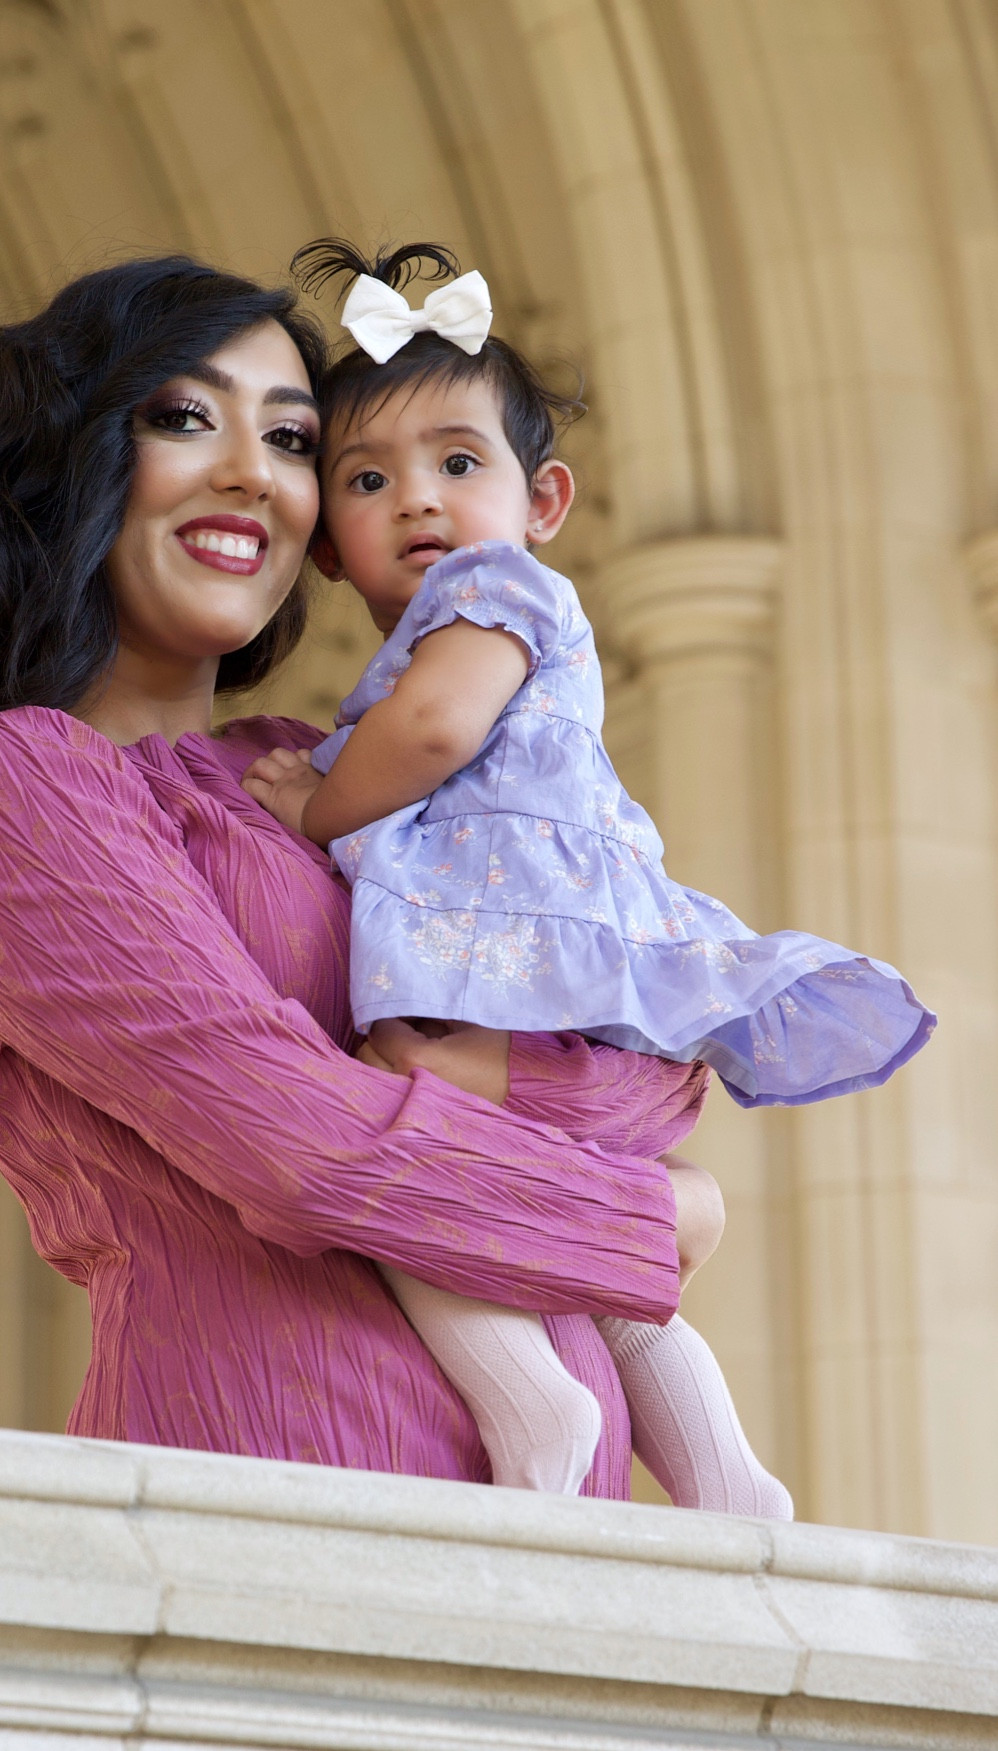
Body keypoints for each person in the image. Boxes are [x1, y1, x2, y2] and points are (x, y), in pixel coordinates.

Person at [0, 254, 714, 1500]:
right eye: (184, 417)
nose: (251, 471)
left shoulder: (317, 774)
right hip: (276, 1488)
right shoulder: (2, 791)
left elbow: (616, 1011)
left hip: (563, 1541)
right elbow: (293, 1141)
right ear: (70, 457)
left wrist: (580, 1104)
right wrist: (651, 1220)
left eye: (291, 439)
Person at [243, 240, 935, 1514]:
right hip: (547, 1002)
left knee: (400, 1154)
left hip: (521, 989)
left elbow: (440, 732)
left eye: (459, 463)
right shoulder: (442, 631)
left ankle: (529, 1399)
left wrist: (313, 808)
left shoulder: (491, 592)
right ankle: (728, 1478)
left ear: (542, 498)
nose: (417, 499)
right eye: (367, 477)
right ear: (326, 541)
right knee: (571, 1242)